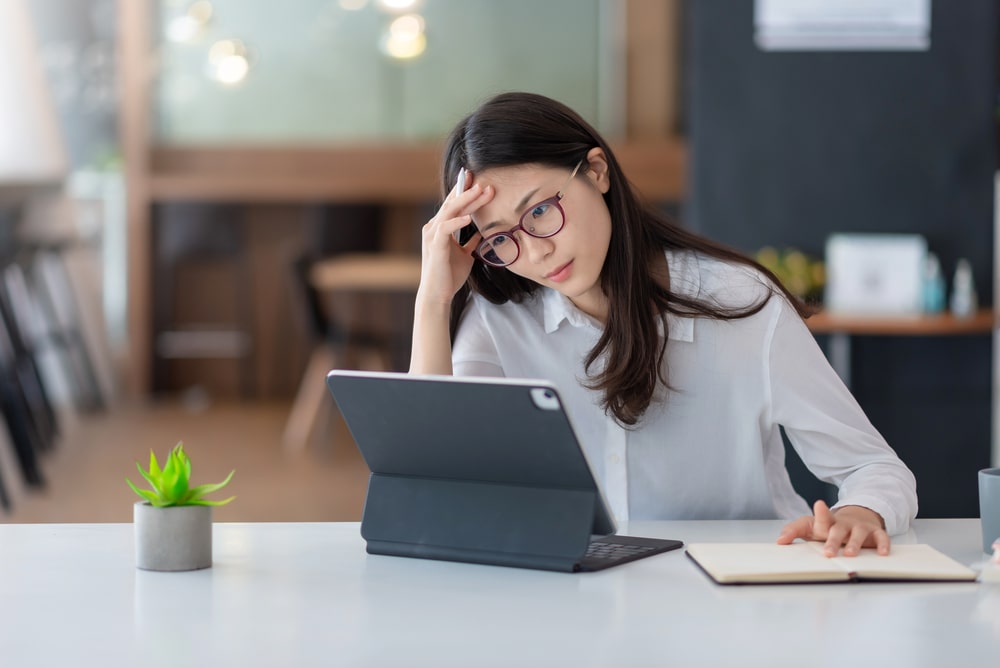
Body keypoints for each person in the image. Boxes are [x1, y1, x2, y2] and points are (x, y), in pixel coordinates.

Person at [410, 91, 917, 557]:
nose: (537, 251)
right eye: (500, 238)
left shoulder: (739, 302)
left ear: (596, 171)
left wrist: (860, 511)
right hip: (578, 608)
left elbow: (872, 467)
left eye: (540, 210)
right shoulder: (502, 321)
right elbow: (437, 487)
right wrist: (433, 300)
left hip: (739, 601)